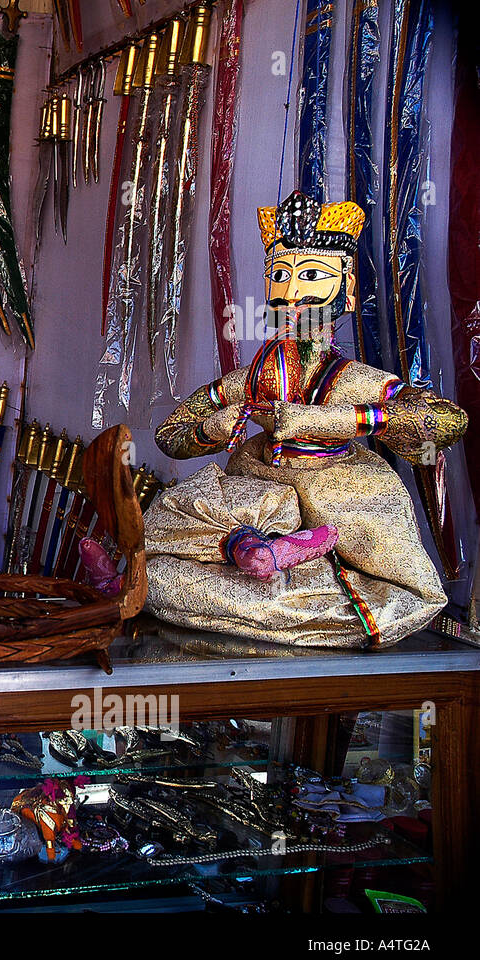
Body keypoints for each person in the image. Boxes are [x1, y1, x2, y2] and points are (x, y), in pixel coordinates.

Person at [84, 191, 467, 647]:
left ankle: (270, 557)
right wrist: (210, 429)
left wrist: (332, 422)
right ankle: (207, 562)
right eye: (279, 277)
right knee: (166, 569)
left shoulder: (351, 380)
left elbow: (447, 421)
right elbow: (171, 433)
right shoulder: (257, 375)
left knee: (286, 596)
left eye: (310, 276)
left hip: (334, 507)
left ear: (344, 288)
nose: (291, 295)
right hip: (255, 492)